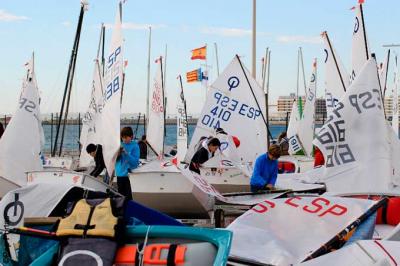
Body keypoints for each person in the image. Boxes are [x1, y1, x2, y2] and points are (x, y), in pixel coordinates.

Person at [115, 127, 140, 200]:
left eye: (126, 137)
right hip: (119, 175)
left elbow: (135, 162)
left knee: (129, 198)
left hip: (129, 176)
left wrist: (126, 153)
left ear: (131, 136)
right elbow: (115, 160)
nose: (124, 139)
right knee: (121, 198)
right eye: (122, 138)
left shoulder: (135, 146)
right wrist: (118, 153)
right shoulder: (119, 145)